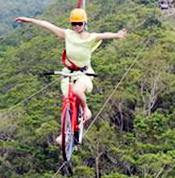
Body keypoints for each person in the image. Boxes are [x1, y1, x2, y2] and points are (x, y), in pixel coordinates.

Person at [14, 8, 127, 144]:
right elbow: (48, 25)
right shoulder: (67, 34)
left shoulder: (90, 37)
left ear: (84, 23)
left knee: (77, 91)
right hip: (68, 73)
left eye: (80, 23)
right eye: (74, 24)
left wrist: (117, 35)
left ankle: (86, 109)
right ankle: (65, 133)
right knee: (67, 101)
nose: (77, 26)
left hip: (84, 73)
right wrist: (29, 20)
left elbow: (105, 35)